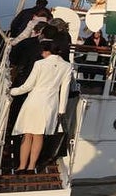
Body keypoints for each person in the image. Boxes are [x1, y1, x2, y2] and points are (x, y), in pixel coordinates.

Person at [8, 40, 72, 173]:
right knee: (39, 136)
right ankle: (32, 166)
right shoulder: (67, 66)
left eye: (42, 51)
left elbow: (28, 86)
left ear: (47, 51)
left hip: (34, 101)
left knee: (27, 134)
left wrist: (12, 91)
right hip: (51, 103)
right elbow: (64, 90)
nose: (41, 54)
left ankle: (21, 166)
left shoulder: (40, 64)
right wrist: (61, 110)